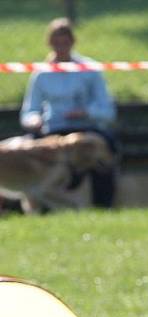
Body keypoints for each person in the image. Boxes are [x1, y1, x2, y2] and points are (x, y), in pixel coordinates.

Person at [19, 18, 117, 207]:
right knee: (28, 155)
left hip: (85, 130)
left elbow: (107, 111)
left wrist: (86, 112)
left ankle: (104, 205)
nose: (60, 47)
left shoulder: (90, 69)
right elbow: (29, 112)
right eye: (56, 43)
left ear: (73, 42)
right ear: (49, 43)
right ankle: (38, 207)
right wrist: (35, 120)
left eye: (65, 42)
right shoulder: (40, 74)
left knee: (103, 152)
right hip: (52, 132)